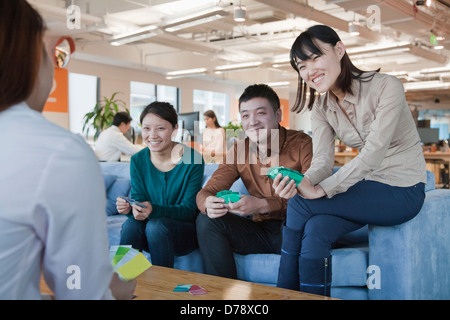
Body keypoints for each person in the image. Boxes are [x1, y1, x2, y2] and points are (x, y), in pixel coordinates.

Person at [272, 25, 427, 296]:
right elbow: (322, 159)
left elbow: (374, 151)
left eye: (315, 57)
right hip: (368, 187)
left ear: (339, 50)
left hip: (403, 190)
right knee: (317, 228)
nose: (309, 71)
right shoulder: (321, 107)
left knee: (300, 206)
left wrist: (321, 190)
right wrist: (302, 181)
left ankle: (281, 293)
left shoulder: (387, 86)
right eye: (301, 65)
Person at [0, 0, 135, 299]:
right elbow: (81, 292)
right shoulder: (58, 152)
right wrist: (116, 292)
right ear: (26, 60)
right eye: (46, 52)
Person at [196, 84, 313, 279]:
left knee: (309, 228)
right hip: (259, 231)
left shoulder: (301, 144)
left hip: (296, 228)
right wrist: (208, 203)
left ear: (278, 114)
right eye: (245, 116)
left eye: (260, 113)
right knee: (207, 219)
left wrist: (263, 205)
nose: (252, 122)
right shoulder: (239, 150)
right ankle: (223, 295)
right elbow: (207, 191)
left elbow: (314, 196)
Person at [117, 102, 204, 268]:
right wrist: (131, 210)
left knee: (156, 226)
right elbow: (139, 201)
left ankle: (160, 289)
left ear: (175, 129)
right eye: (146, 128)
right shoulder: (138, 160)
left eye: (160, 128)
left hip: (182, 233)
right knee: (131, 225)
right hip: (150, 231)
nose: (152, 135)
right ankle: (123, 282)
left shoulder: (192, 159)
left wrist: (154, 210)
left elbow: (188, 209)